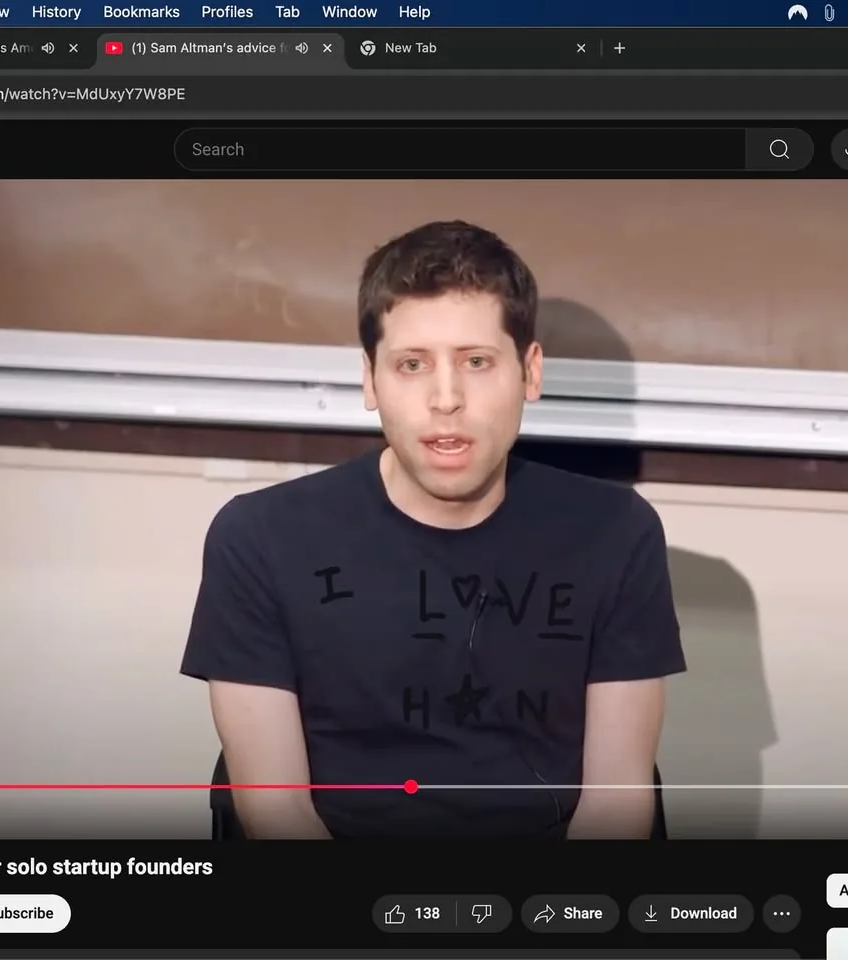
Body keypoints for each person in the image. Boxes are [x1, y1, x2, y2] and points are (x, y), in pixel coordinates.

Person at [180, 220, 687, 839]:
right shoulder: (259, 538)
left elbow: (616, 804)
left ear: (530, 372)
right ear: (370, 379)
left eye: (476, 362)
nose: (446, 399)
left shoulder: (616, 533)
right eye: (412, 364)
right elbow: (276, 813)